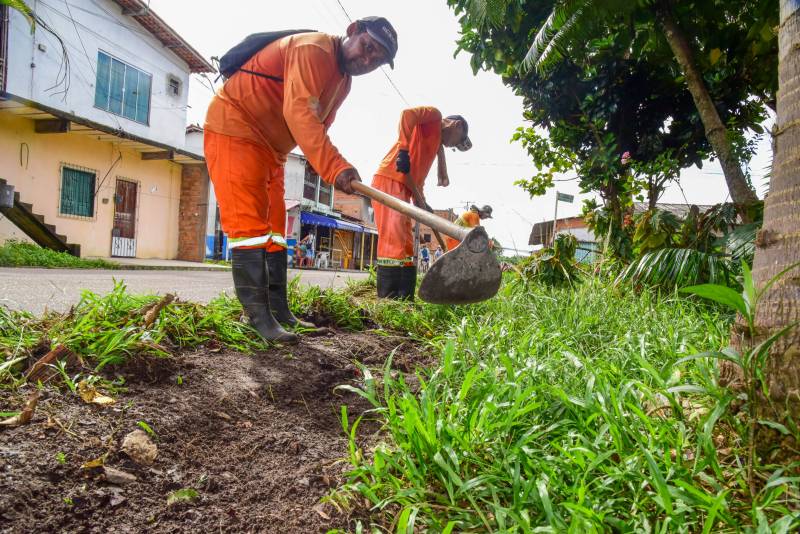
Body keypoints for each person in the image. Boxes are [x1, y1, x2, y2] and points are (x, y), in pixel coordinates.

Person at [204, 18, 398, 342]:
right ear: (352, 31)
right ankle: (257, 319)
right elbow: (300, 114)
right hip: (236, 129)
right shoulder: (313, 49)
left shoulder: (343, 81)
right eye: (367, 47)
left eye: (376, 59)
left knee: (276, 231)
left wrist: (335, 168)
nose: (367, 60)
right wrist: (336, 167)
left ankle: (279, 312)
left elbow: (318, 127)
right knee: (249, 228)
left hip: (272, 152)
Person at [371, 107, 472, 299]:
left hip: (406, 187)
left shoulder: (435, 146)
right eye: (456, 142)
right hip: (389, 178)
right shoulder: (433, 116)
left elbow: (418, 177)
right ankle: (388, 298)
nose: (452, 146)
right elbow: (407, 115)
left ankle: (405, 299)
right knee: (394, 239)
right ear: (457, 125)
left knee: (406, 243)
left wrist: (422, 201)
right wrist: (402, 149)